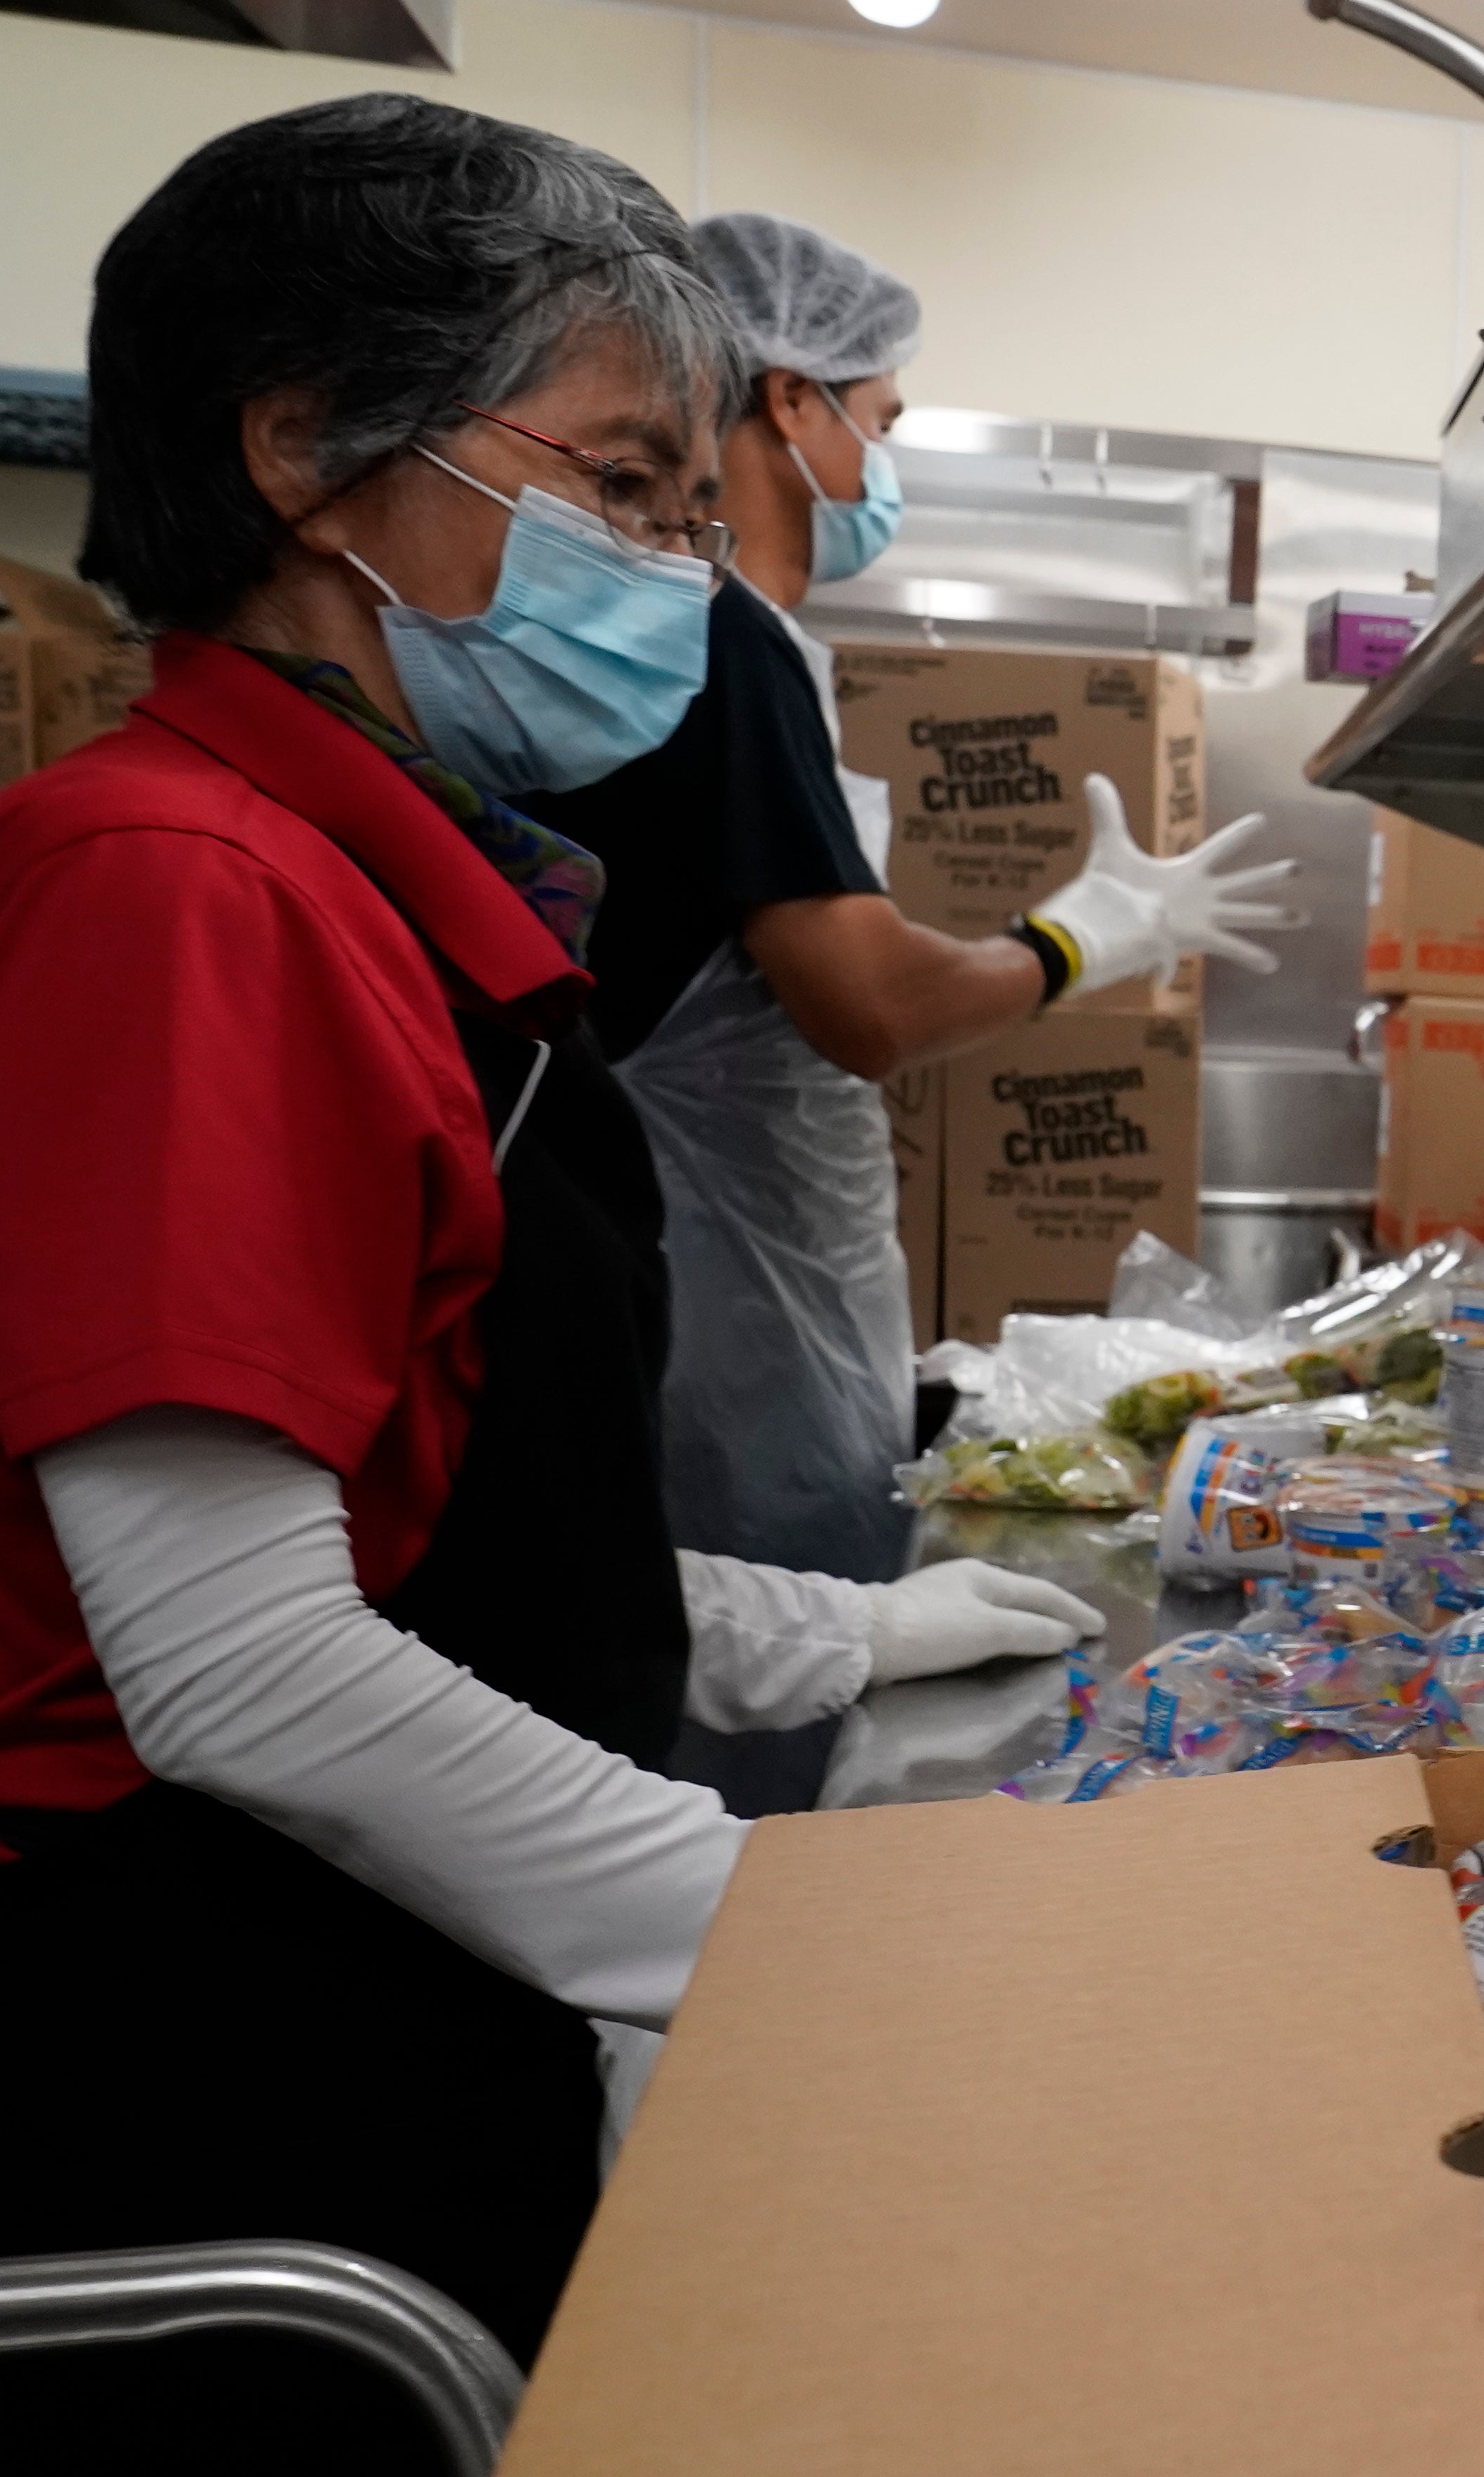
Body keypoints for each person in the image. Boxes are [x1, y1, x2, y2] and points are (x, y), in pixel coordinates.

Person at [0, 98, 1118, 2477]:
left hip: (401, 2003)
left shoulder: (389, 885)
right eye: (622, 488)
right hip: (236, 2104)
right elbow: (236, 1662)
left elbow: (434, 1524)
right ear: (302, 445)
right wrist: (782, 1937)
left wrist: (849, 1622)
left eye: (693, 509)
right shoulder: (173, 890)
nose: (676, 582)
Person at [525, 211, 1299, 1582]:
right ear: (790, 400)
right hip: (722, 1324)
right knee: (761, 1705)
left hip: (747, 1293)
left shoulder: (718, 644)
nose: (881, 464)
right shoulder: (718, 643)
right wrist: (1080, 937)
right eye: (880, 420)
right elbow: (869, 1004)